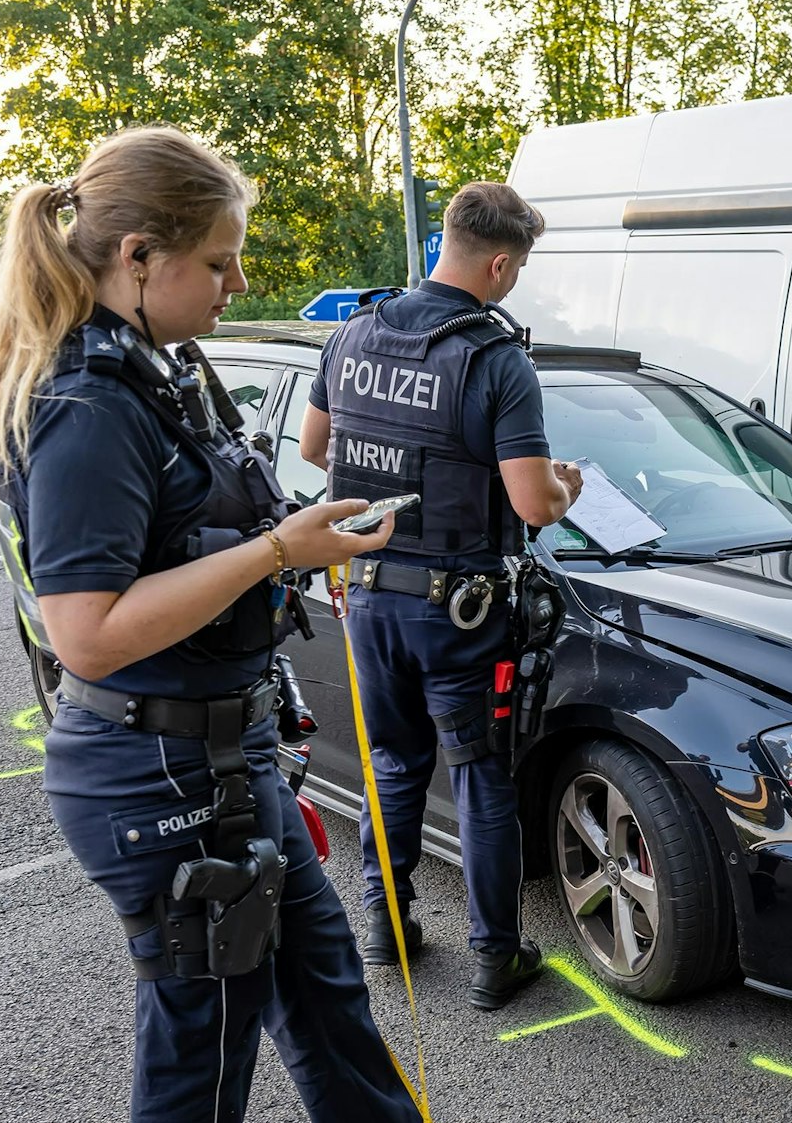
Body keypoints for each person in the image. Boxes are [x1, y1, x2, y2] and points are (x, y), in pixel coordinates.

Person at [0, 126, 425, 1123]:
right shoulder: (87, 403)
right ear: (137, 257)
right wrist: (272, 554)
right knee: (201, 1069)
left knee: (331, 1009)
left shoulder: (155, 371)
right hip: (161, 776)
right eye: (217, 260)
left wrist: (292, 540)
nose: (234, 280)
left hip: (224, 754)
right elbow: (82, 632)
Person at [298, 182, 581, 1010]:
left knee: (392, 763)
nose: (514, 281)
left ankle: (385, 926)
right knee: (482, 779)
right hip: (459, 611)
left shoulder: (353, 332)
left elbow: (319, 446)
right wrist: (562, 487)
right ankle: (497, 958)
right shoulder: (497, 359)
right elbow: (531, 506)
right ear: (498, 262)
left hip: (370, 593)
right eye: (518, 268)